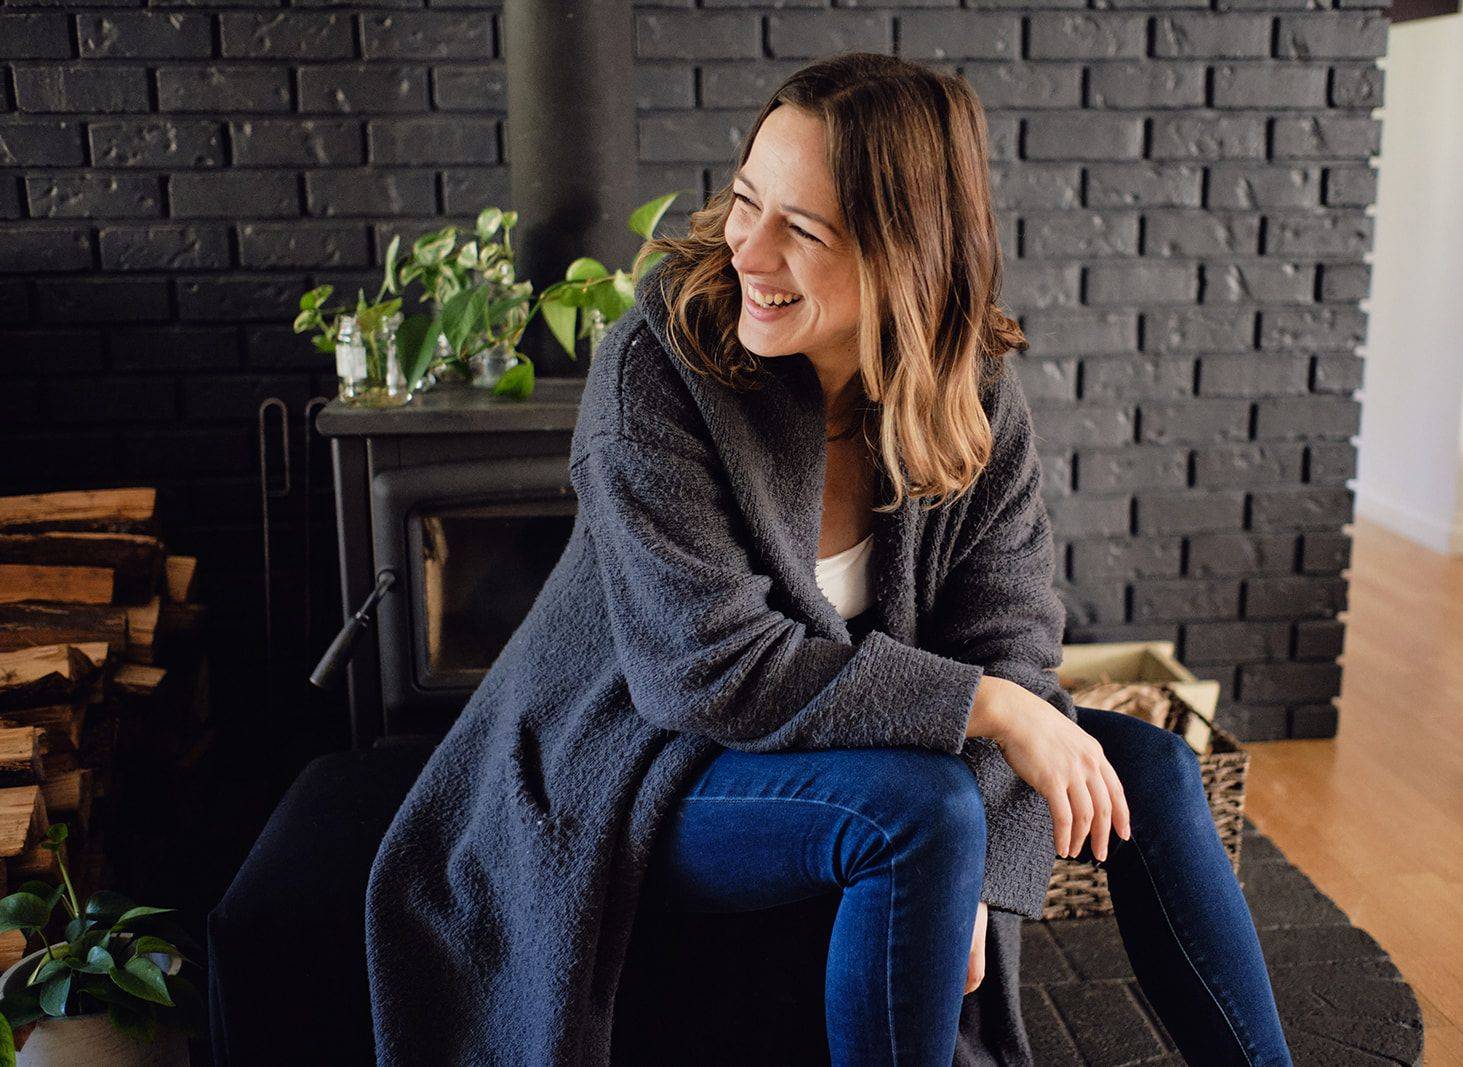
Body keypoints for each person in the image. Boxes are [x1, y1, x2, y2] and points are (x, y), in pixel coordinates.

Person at [365, 52, 1293, 1067]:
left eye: (800, 229)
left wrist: (980, 867)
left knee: (1150, 767)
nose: (748, 252)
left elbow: (1011, 640)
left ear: (907, 254)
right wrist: (988, 710)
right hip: (639, 756)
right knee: (922, 808)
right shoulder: (656, 366)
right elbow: (706, 668)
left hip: (827, 733)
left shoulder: (972, 389)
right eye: (746, 202)